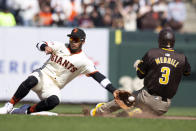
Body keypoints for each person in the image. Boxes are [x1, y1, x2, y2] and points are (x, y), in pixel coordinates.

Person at [0, 28, 118, 115]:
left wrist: (113, 90)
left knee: (54, 101)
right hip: (43, 75)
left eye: (76, 39)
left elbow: (99, 77)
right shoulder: (60, 46)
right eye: (71, 38)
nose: (73, 41)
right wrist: (45, 48)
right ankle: (9, 106)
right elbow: (39, 44)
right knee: (31, 80)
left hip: (54, 86)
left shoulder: (84, 61)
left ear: (83, 42)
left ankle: (25, 111)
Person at [90, 28, 191, 116]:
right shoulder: (182, 58)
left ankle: (100, 111)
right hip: (164, 106)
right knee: (146, 113)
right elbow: (187, 72)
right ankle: (138, 113)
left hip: (147, 97)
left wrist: (138, 66)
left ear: (160, 40)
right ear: (173, 41)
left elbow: (140, 75)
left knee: (126, 98)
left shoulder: (152, 53)